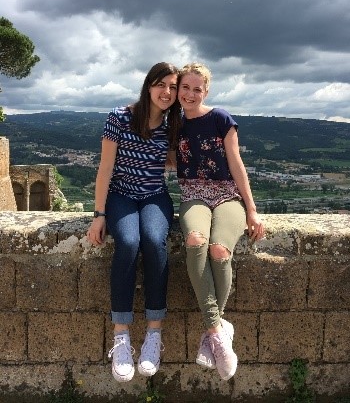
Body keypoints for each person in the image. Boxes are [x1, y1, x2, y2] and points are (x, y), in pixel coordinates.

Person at [87, 62, 181, 382]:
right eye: (160, 84)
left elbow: (177, 164)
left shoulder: (171, 125)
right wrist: (99, 215)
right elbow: (105, 169)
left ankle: (154, 334)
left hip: (155, 196)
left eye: (172, 86)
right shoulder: (120, 117)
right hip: (121, 195)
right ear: (148, 85)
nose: (166, 92)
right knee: (128, 241)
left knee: (155, 241)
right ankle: (122, 335)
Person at [176, 62, 264, 381]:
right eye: (184, 87)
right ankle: (217, 329)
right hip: (194, 195)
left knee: (218, 251)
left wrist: (251, 209)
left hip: (228, 196)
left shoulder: (221, 118)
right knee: (195, 240)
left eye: (196, 89)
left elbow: (236, 162)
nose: (190, 94)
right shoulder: (174, 123)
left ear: (206, 91)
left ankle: (211, 332)